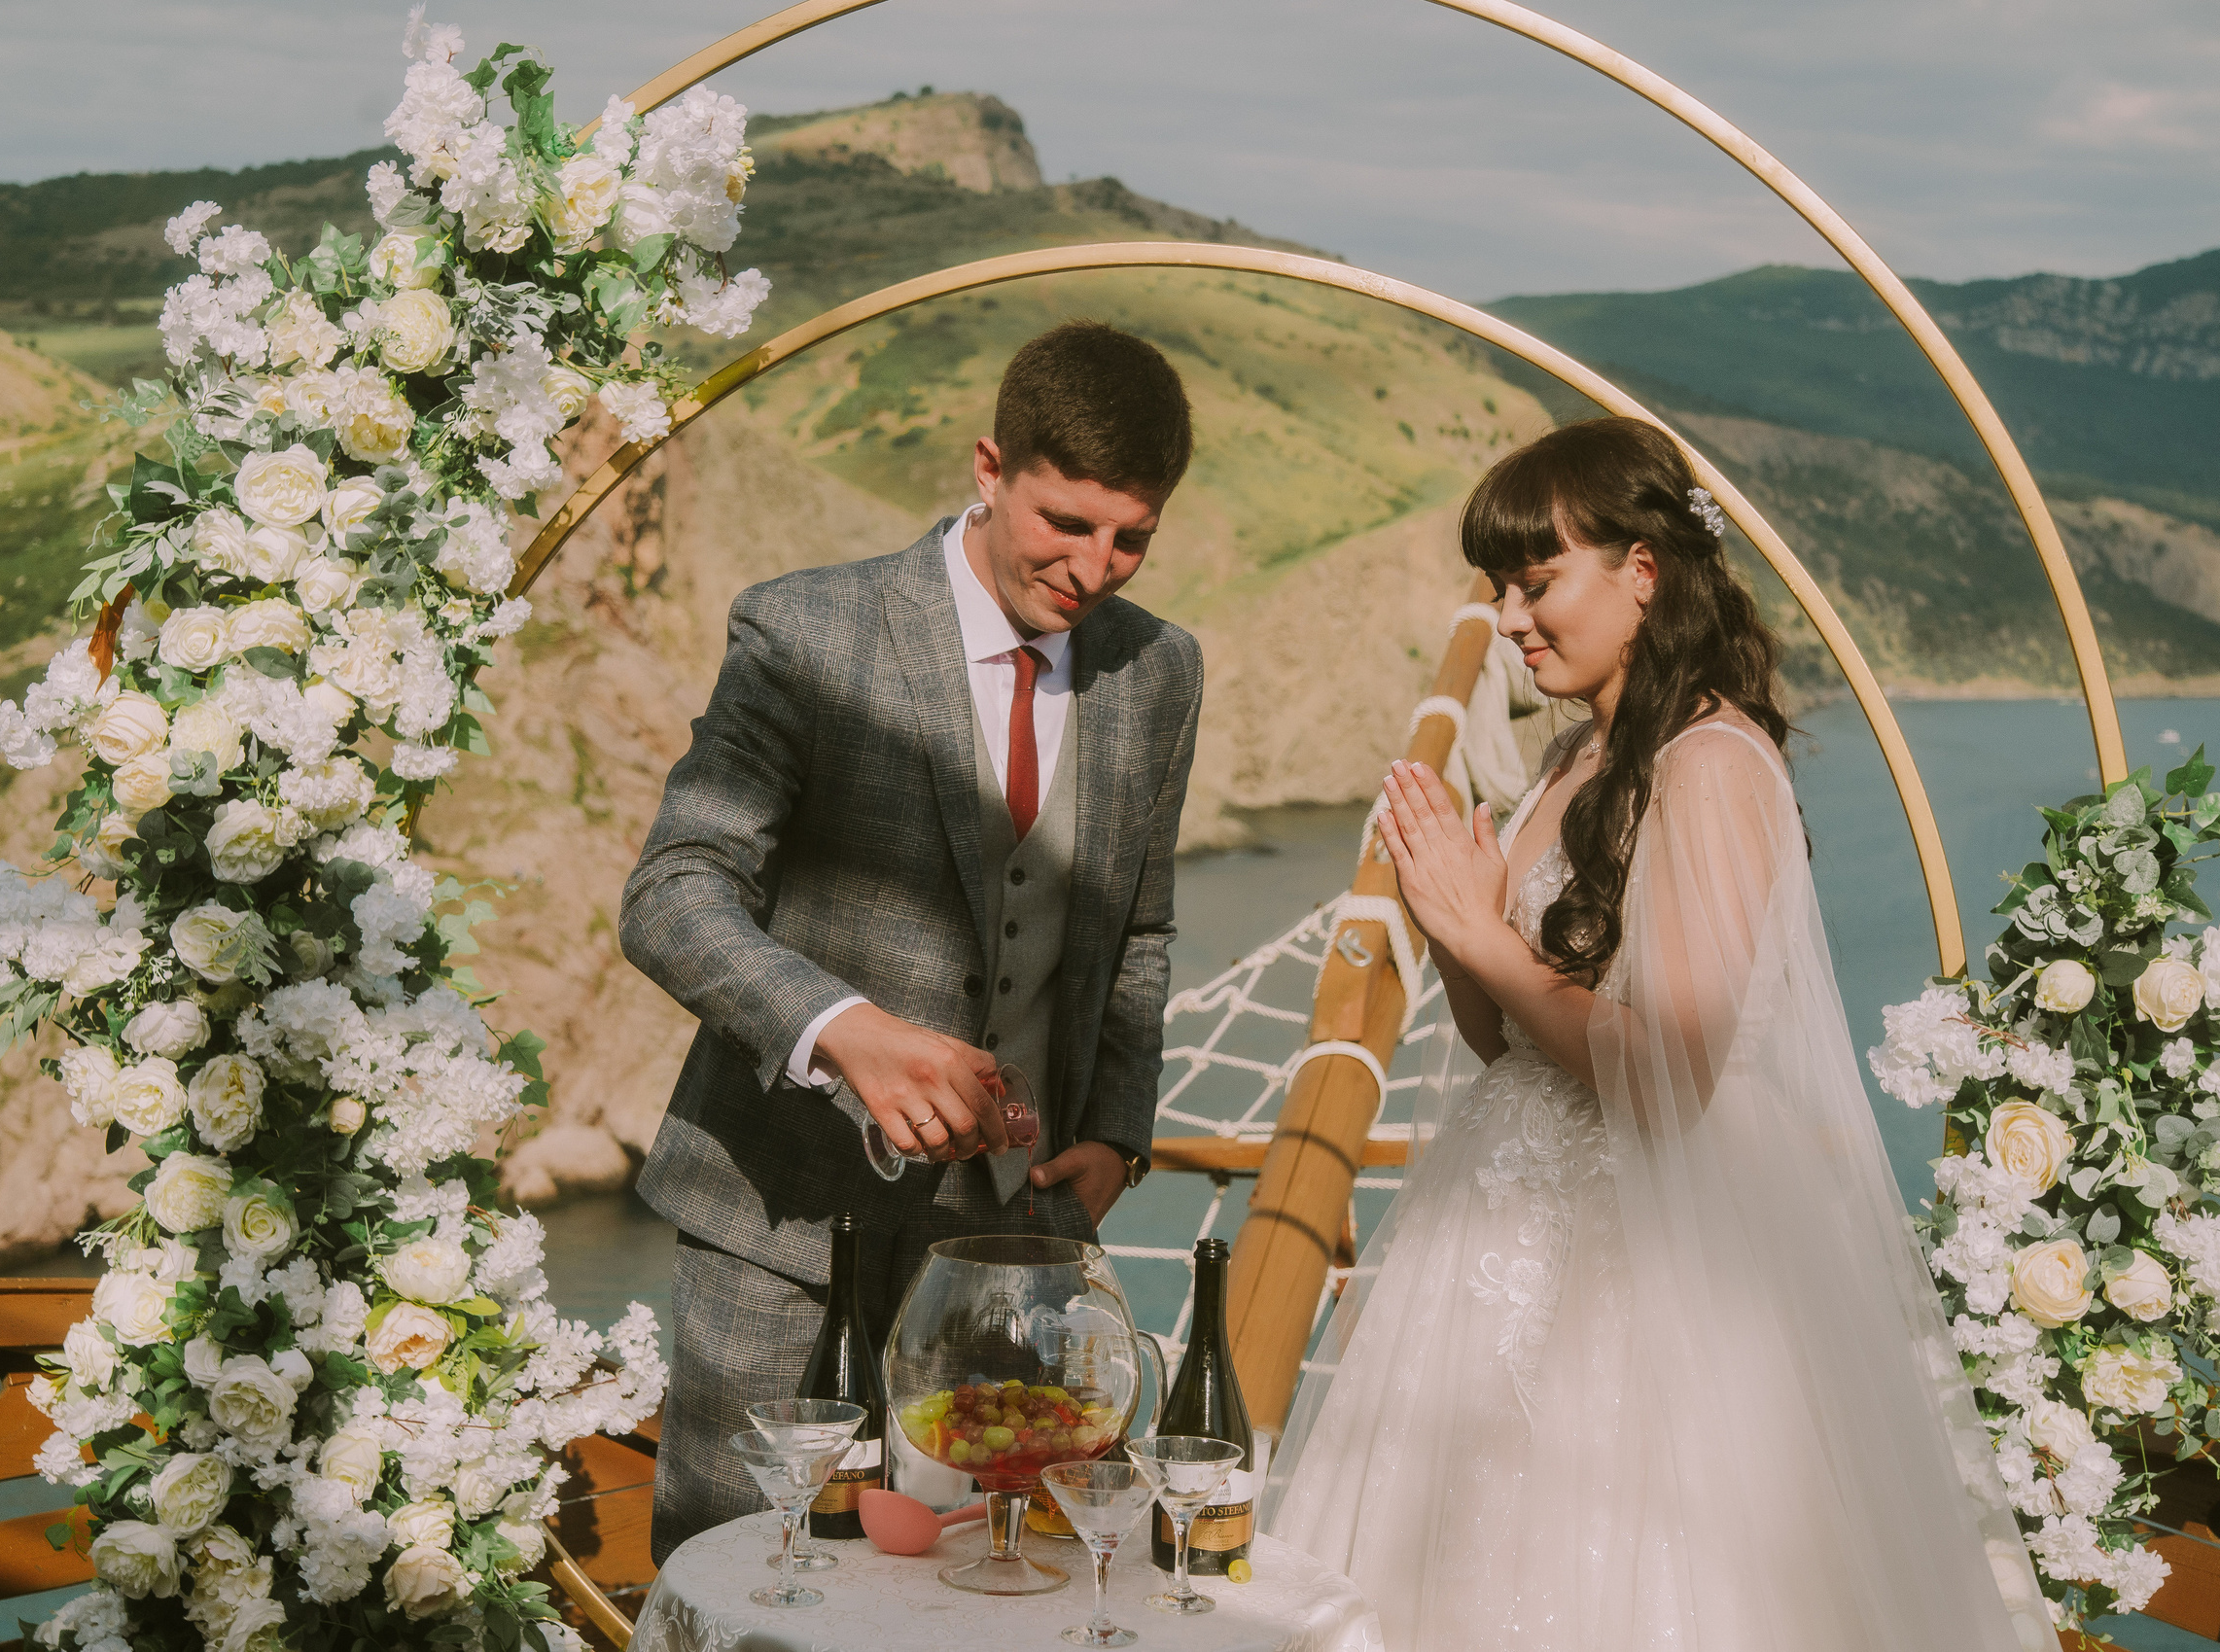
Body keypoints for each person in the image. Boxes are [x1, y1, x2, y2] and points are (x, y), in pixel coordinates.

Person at [1263, 417, 2057, 1650]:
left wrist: (1485, 940)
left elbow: (1668, 1071)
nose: (1512, 619)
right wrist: (1445, 910)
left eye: (1538, 582)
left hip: (1641, 1273)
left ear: (1642, 570)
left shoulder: (1713, 765)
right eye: (1501, 588)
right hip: (1498, 1240)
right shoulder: (1571, 757)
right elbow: (1511, 1038)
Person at [620, 321, 1204, 1563]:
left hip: (1017, 1249)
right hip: (778, 1222)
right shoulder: (807, 632)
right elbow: (672, 892)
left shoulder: (1161, 672)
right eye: (1065, 521)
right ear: (989, 467)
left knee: (997, 1592)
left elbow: (1137, 927)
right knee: (746, 1586)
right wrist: (851, 1036)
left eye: (1131, 535)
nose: (1095, 567)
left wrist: (1115, 1131)